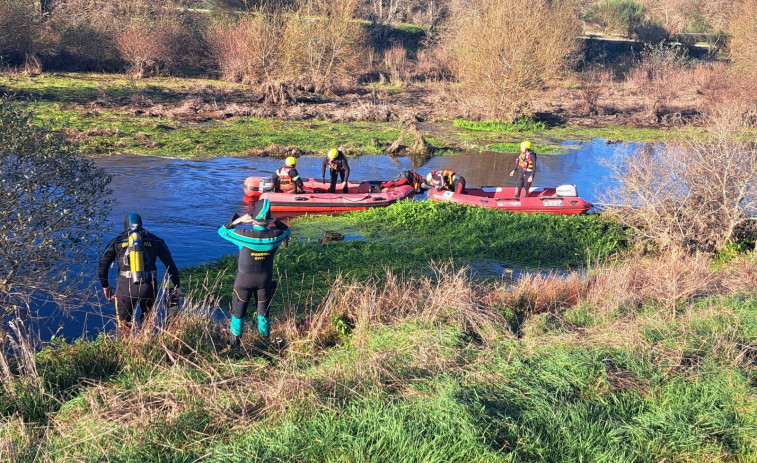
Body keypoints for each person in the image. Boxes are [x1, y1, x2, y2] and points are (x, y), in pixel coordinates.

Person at [218, 198, 290, 347]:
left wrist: (238, 220)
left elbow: (222, 231)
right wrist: (275, 221)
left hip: (243, 282)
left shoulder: (243, 235)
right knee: (263, 314)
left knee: (238, 314)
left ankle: (235, 348)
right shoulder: (275, 236)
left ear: (253, 220)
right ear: (269, 220)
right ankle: (264, 344)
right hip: (264, 282)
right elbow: (287, 231)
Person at [97, 213, 181, 335]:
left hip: (125, 287)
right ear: (141, 224)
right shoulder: (156, 240)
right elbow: (170, 264)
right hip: (148, 287)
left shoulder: (117, 241)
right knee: (147, 325)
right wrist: (177, 285)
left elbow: (102, 267)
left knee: (124, 327)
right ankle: (145, 349)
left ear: (125, 226)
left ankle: (127, 350)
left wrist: (105, 285)